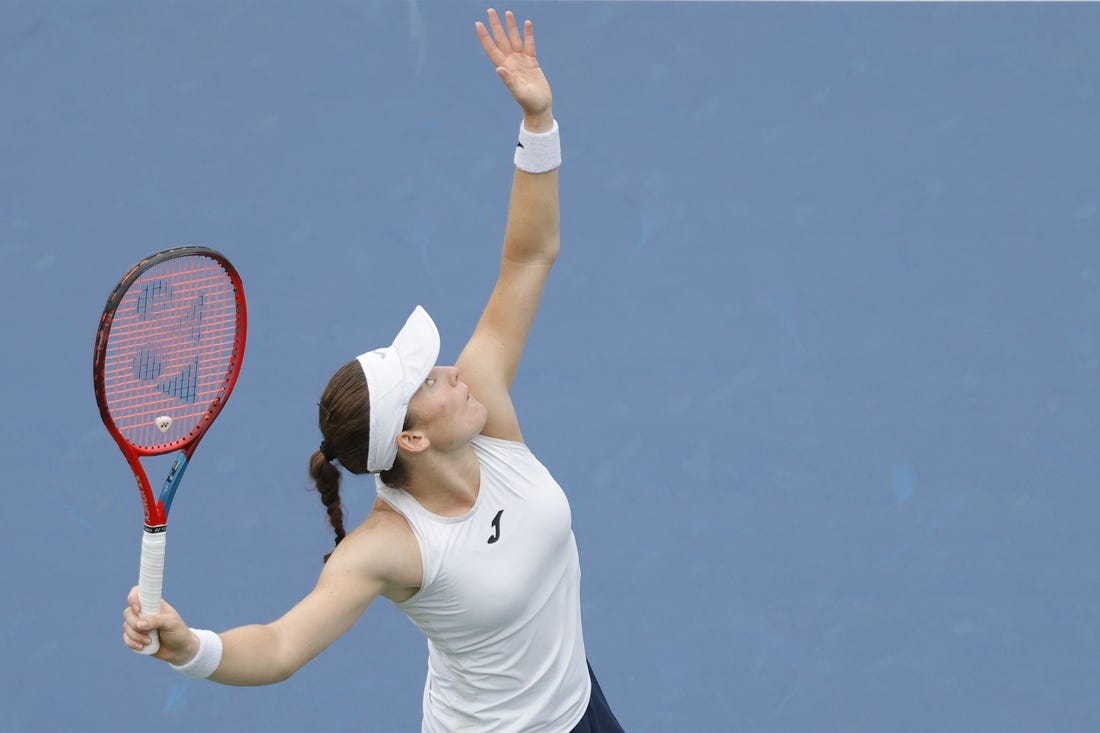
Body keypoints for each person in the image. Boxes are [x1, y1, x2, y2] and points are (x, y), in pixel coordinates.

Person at [122, 9, 625, 732]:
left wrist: (537, 124)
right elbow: (282, 643)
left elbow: (528, 257)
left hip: (580, 705)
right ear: (413, 439)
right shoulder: (389, 547)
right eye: (430, 382)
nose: (453, 371)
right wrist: (189, 646)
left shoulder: (483, 397)